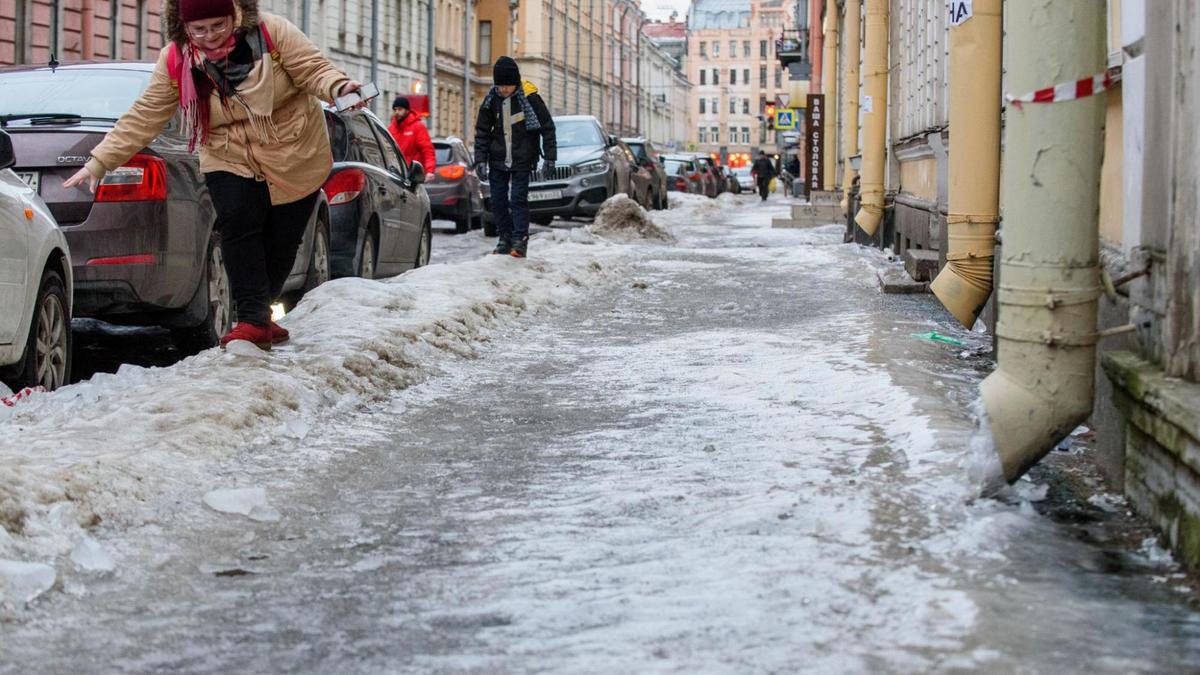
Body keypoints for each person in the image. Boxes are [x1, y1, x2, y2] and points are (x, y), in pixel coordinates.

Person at [63, 0, 362, 351]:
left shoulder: (271, 32)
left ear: (234, 14)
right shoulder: (176, 59)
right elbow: (145, 115)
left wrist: (340, 87)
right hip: (227, 152)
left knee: (282, 240)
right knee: (237, 223)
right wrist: (99, 161)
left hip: (294, 150)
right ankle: (251, 321)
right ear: (183, 27)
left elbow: (313, 69)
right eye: (199, 30)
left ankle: (259, 314)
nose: (210, 37)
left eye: (218, 26)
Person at [473, 56, 556, 258]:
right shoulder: (491, 99)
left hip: (522, 158)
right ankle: (504, 239)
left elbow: (547, 127)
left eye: (507, 86)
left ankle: (520, 240)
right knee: (498, 201)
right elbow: (482, 131)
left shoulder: (530, 97)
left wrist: (550, 157)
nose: (503, 90)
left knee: (518, 199)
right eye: (500, 86)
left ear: (515, 82)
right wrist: (480, 159)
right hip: (497, 158)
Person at [388, 96, 435, 172]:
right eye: (395, 109)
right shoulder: (391, 128)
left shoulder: (418, 127)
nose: (397, 112)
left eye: (400, 109)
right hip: (395, 171)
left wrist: (430, 170)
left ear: (407, 110)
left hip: (412, 173)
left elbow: (427, 150)